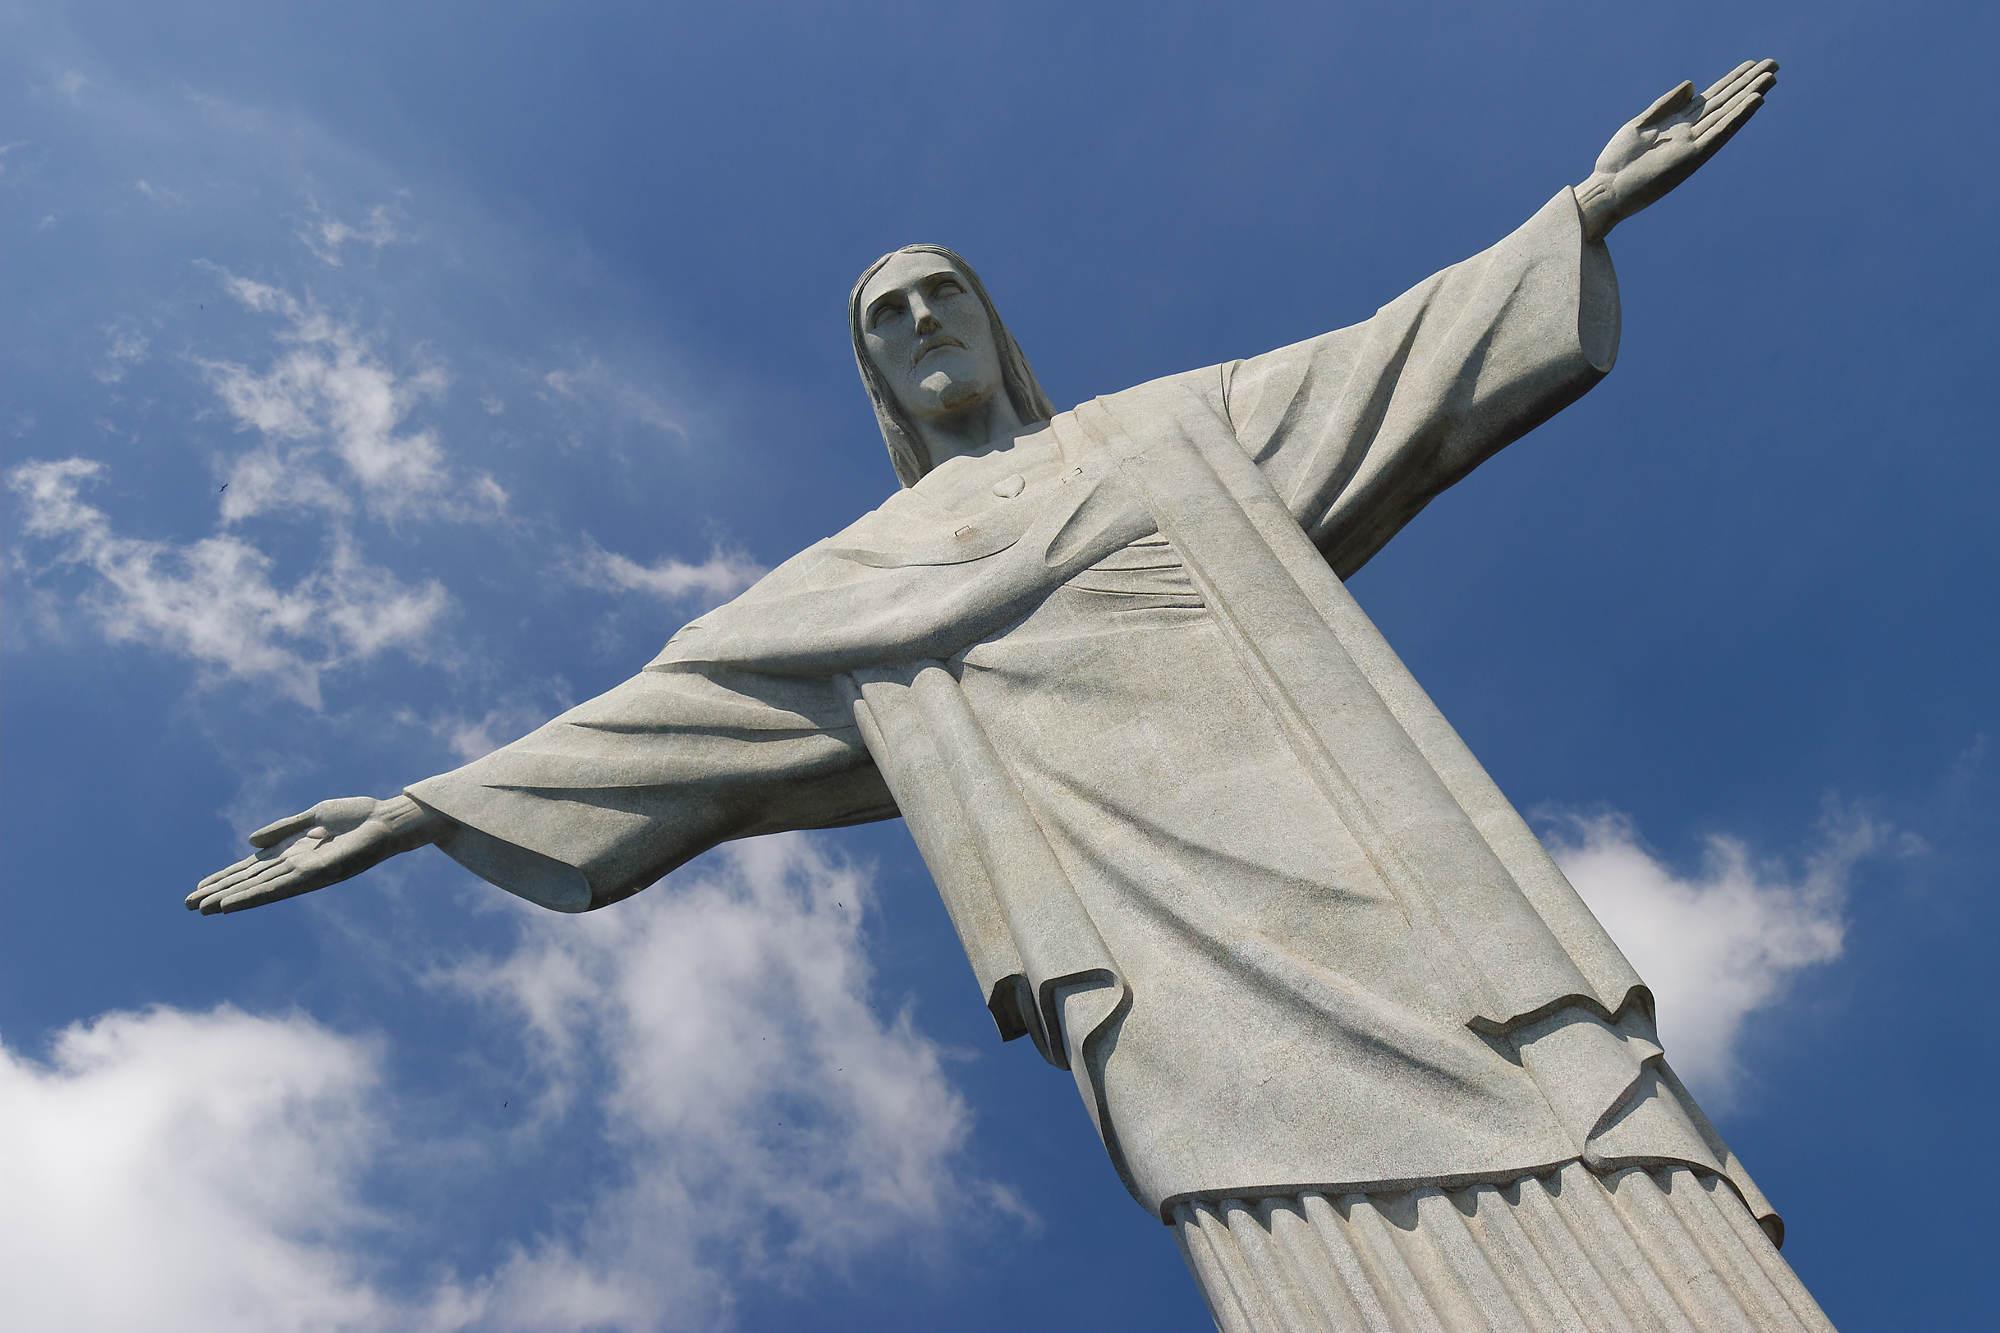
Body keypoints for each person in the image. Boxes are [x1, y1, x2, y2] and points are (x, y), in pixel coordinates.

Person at [194, 62, 1830, 1330]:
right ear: (877, 380)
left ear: (991, 323)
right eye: (887, 321)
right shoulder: (847, 583)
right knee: (1293, 1230)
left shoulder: (1173, 430)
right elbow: (659, 716)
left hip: (1380, 877)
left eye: (940, 297)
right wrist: (415, 808)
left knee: (1594, 1139)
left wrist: (1580, 216)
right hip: (1164, 969)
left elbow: (1393, 357)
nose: (919, 327)